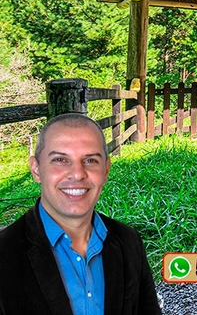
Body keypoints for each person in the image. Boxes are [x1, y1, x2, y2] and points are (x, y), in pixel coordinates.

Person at [0, 113, 162, 315]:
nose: (77, 174)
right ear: (36, 169)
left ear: (106, 170)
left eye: (91, 160)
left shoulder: (129, 242)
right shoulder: (4, 254)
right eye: (60, 159)